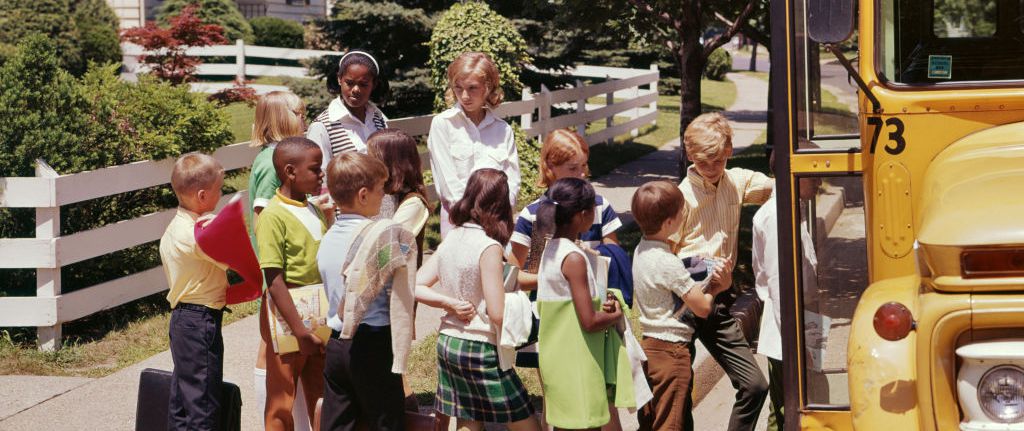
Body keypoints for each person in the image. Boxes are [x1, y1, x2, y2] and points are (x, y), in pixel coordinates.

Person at [316, 152, 473, 431]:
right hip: (372, 342)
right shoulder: (382, 235)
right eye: (381, 190)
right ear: (363, 195)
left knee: (338, 424)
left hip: (336, 343)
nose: (385, 196)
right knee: (386, 422)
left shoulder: (327, 236)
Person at [415, 168, 541, 431]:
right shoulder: (489, 247)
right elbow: (497, 312)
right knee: (525, 422)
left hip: (449, 343)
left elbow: (415, 285)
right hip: (481, 347)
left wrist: (449, 304)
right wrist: (528, 313)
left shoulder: (452, 237)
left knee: (469, 420)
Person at [673, 112, 772, 431]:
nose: (712, 167)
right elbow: (665, 257)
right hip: (683, 301)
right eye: (704, 161)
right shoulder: (681, 197)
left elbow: (778, 186)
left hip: (719, 299)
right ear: (690, 155)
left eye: (718, 160)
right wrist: (702, 269)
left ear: (729, 151)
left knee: (754, 384)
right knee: (680, 392)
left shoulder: (737, 181)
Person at [534, 177, 635, 431]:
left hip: (556, 358)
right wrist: (615, 314)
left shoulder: (550, 249)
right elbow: (589, 321)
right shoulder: (574, 258)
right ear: (582, 215)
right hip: (579, 360)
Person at [631, 181, 732, 431]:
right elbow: (702, 308)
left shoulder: (641, 250)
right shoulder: (668, 262)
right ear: (669, 223)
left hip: (649, 347)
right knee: (671, 423)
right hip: (672, 352)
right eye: (681, 212)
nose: (683, 216)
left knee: (651, 420)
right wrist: (717, 286)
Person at [248, 90, 315, 431]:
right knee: (276, 355)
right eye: (299, 115)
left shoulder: (277, 155)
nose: (305, 120)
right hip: (280, 277)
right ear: (280, 119)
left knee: (285, 354)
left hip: (287, 277)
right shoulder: (272, 162)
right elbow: (263, 217)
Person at [255, 137, 330, 431]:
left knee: (322, 393)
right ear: (290, 172)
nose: (321, 174)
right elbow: (273, 280)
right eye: (315, 168)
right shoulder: (273, 216)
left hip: (318, 314)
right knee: (282, 396)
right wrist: (300, 331)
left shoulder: (313, 208)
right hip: (287, 315)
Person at [159, 152, 229, 430]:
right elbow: (232, 258)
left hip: (183, 320)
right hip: (200, 321)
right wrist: (219, 226)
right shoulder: (198, 234)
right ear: (202, 196)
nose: (221, 195)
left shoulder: (176, 227)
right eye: (219, 190)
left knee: (183, 402)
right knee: (204, 406)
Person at [752, 152, 821, 431]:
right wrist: (796, 340)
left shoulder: (792, 208)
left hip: (801, 320)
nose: (819, 182)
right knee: (789, 407)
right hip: (789, 327)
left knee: (791, 403)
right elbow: (780, 283)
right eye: (812, 175)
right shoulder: (777, 216)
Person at [509, 128, 622, 289]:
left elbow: (614, 256)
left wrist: (594, 257)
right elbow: (512, 277)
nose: (582, 174)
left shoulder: (599, 206)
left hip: (594, 299)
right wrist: (558, 276)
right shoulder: (533, 215)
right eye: (573, 168)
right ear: (550, 166)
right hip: (547, 302)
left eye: (584, 165)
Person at [428, 51, 520, 237]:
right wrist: (471, 218)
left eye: (472, 88)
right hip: (458, 221)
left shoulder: (502, 130)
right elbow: (448, 183)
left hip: (496, 221)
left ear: (488, 87)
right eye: (458, 87)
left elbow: (512, 180)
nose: (464, 96)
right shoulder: (443, 125)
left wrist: (500, 213)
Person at [307, 50, 388, 169]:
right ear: (339, 79)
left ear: (374, 84)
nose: (356, 89)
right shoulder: (322, 127)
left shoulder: (380, 120)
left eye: (363, 84)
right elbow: (321, 175)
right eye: (349, 83)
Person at [366, 129, 431, 265]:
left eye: (370, 158)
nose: (365, 163)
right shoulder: (381, 194)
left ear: (389, 163)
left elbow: (390, 250)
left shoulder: (413, 203)